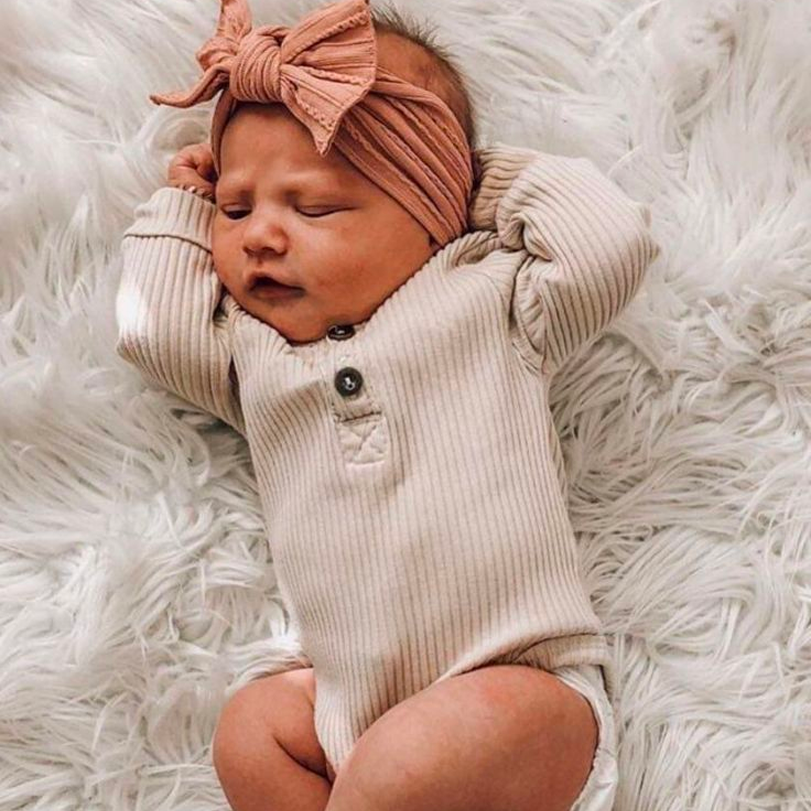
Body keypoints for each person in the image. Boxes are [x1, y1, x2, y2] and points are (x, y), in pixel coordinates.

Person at [115, 0, 659, 808]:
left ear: (431, 209)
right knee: (249, 728)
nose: (261, 234)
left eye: (314, 207)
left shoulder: (491, 300)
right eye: (237, 209)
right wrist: (181, 204)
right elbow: (147, 328)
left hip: (516, 689)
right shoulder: (249, 352)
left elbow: (610, 238)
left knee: (406, 767)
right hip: (341, 705)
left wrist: (470, 178)